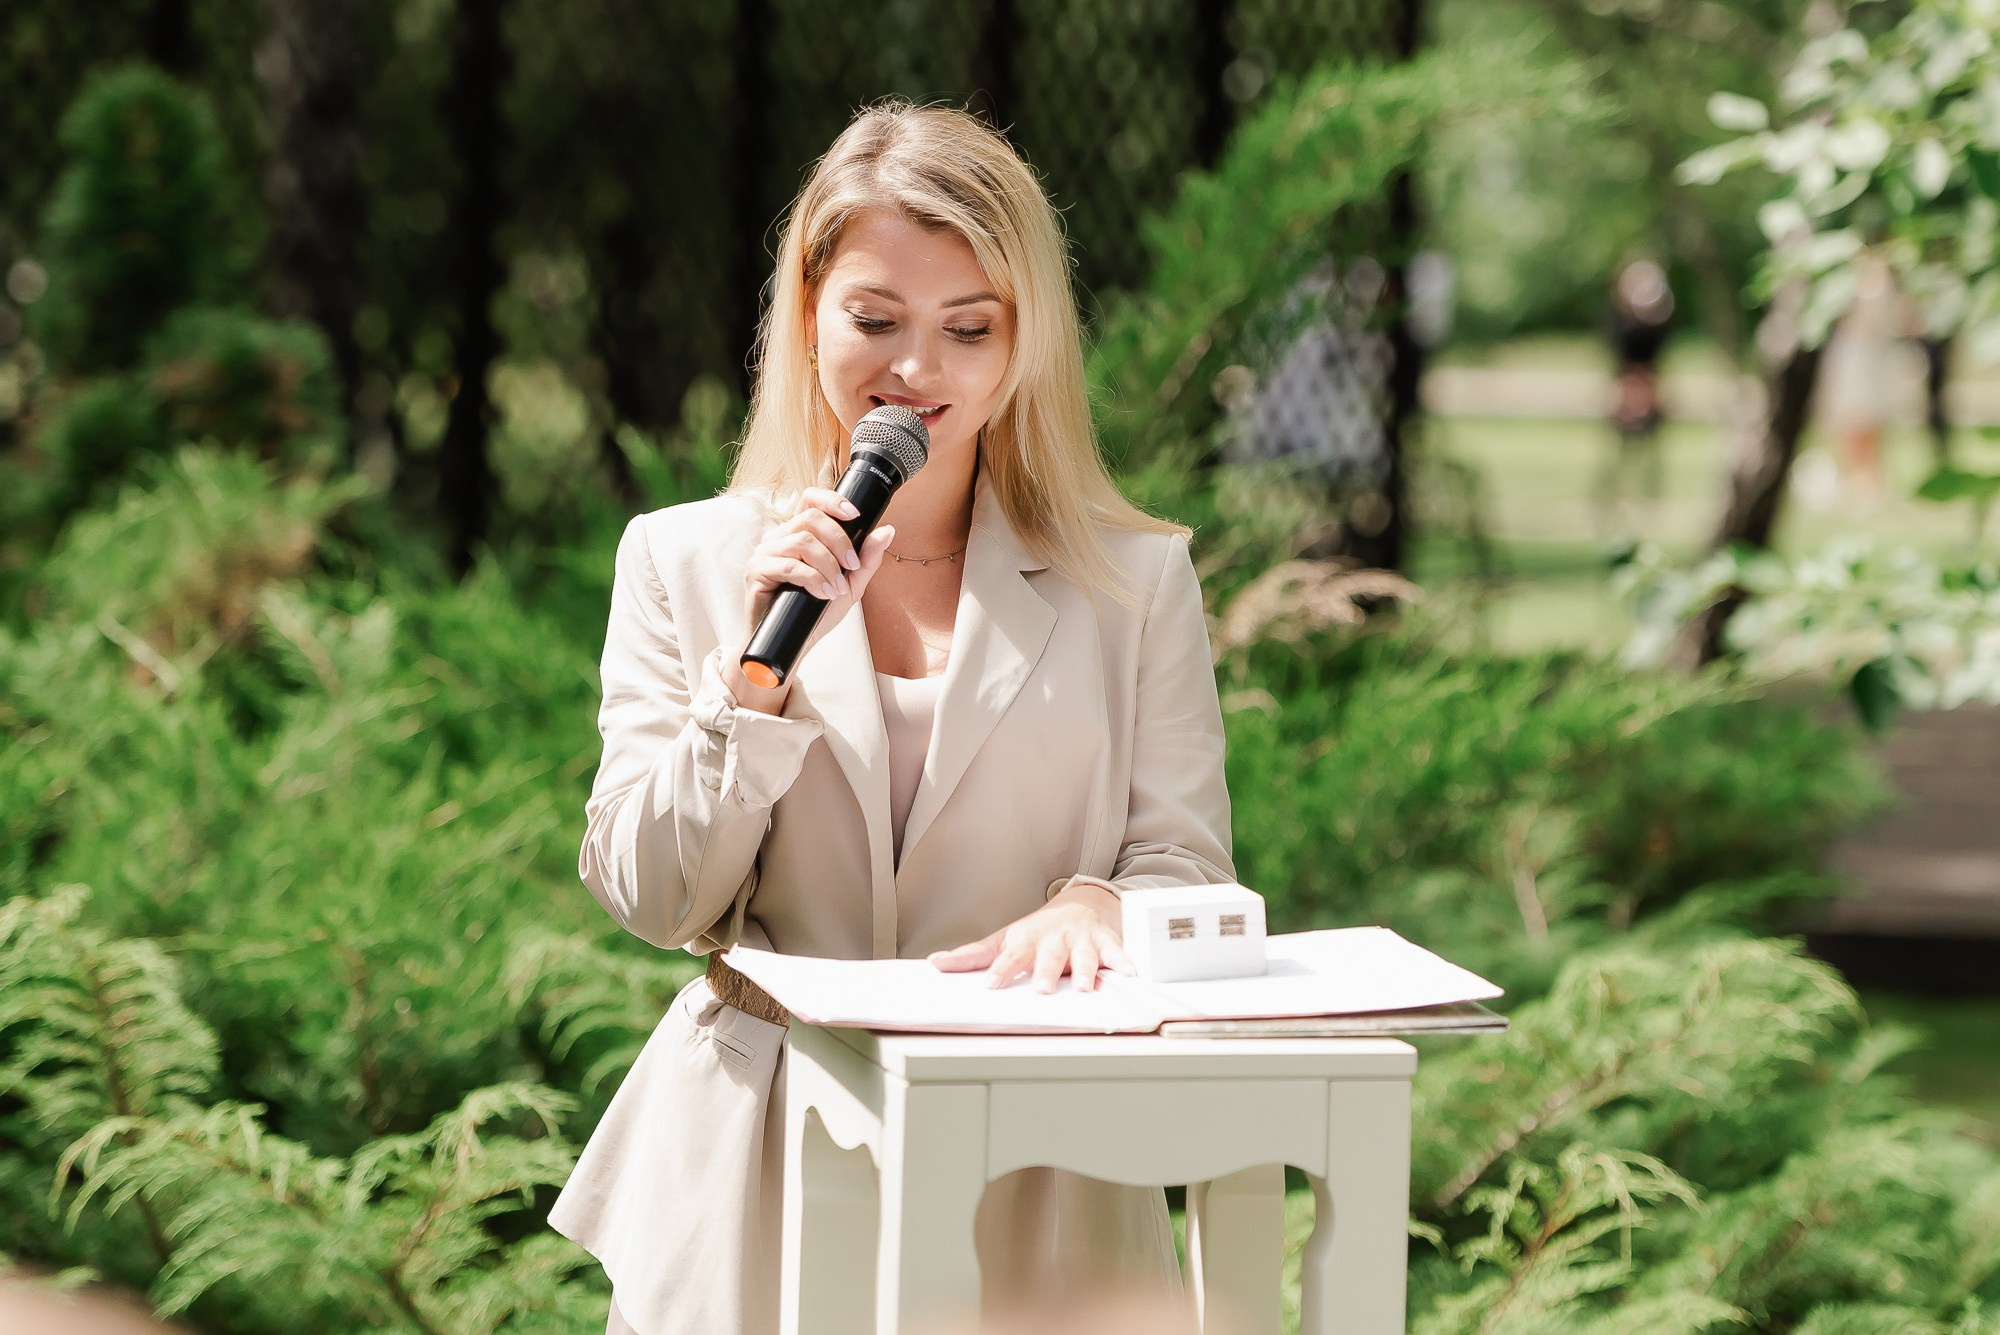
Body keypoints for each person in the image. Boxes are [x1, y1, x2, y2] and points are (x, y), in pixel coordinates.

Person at [546, 101, 1237, 1335]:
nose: (915, 373)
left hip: (1040, 1180)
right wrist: (755, 679)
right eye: (873, 320)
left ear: (1023, 345)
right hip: (763, 1165)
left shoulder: (1134, 584)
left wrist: (1106, 904)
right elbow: (652, 897)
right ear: (806, 311)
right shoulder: (683, 561)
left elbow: (1185, 863)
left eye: (967, 329)